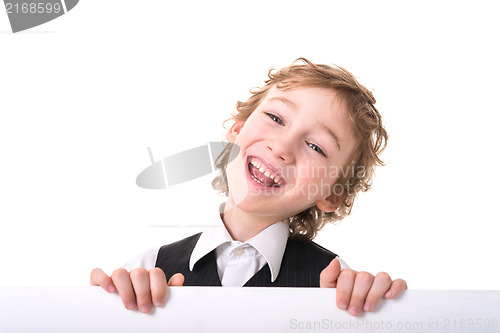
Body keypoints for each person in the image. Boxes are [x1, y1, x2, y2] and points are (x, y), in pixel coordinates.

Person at [91, 58, 407, 317]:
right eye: (275, 117)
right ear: (237, 130)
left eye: (315, 146)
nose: (282, 146)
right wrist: (104, 311)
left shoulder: (338, 290)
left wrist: (371, 316)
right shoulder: (146, 271)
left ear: (333, 193)